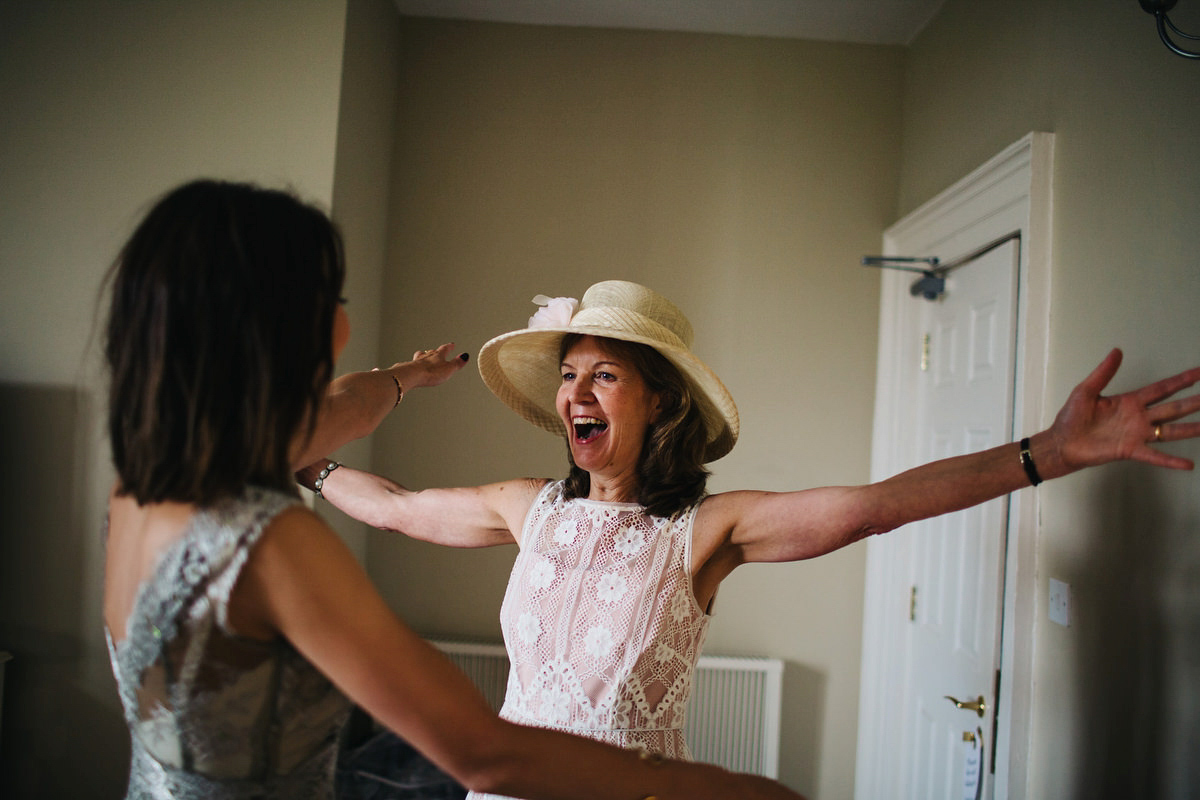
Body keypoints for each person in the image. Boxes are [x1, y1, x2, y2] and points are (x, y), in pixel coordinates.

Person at [300, 279, 1200, 800]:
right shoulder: (524, 507)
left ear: (659, 401)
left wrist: (1050, 451)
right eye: (569, 375)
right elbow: (394, 505)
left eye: (604, 374)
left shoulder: (708, 532)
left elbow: (875, 505)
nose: (577, 393)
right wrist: (309, 458)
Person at [101, 182, 806, 800]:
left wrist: (405, 378)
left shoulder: (138, 494)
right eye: (332, 300)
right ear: (279, 328)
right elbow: (483, 754)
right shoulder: (272, 542)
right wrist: (724, 788)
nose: (342, 322)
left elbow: (335, 411)